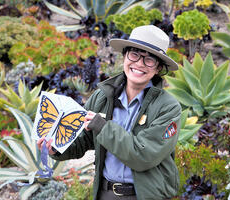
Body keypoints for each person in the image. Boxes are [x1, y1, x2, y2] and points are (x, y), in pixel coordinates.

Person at [38, 25, 182, 200]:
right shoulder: (102, 97)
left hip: (145, 195)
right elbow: (83, 140)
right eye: (134, 54)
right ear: (125, 55)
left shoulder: (168, 107)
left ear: (158, 67)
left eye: (149, 59)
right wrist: (55, 148)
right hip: (106, 194)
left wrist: (103, 127)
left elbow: (144, 156)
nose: (139, 64)